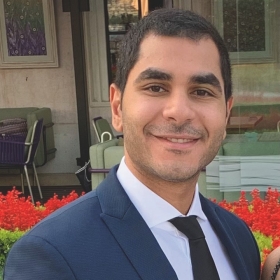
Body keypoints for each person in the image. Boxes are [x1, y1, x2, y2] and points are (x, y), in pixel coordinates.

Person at [4, 8, 260, 280]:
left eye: (201, 92)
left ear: (226, 112)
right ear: (117, 108)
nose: (180, 111)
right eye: (156, 87)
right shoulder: (52, 255)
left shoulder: (239, 238)